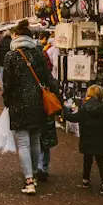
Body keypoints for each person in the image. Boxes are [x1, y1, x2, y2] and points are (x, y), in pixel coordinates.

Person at [2, 19, 60, 195]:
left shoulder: (11, 56)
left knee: (23, 143)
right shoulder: (38, 54)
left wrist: (7, 101)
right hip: (37, 103)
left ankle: (29, 179)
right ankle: (34, 173)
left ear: (16, 36)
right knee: (35, 141)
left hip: (18, 104)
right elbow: (47, 78)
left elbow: (8, 84)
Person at [62, 85, 103, 195]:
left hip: (87, 139)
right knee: (101, 162)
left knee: (87, 160)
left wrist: (65, 109)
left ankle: (86, 179)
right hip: (100, 140)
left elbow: (73, 118)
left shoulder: (84, 108)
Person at [34, 31, 60, 182]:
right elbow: (52, 83)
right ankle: (44, 167)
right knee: (46, 137)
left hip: (33, 104)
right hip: (47, 104)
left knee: (35, 137)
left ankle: (37, 167)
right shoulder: (46, 66)